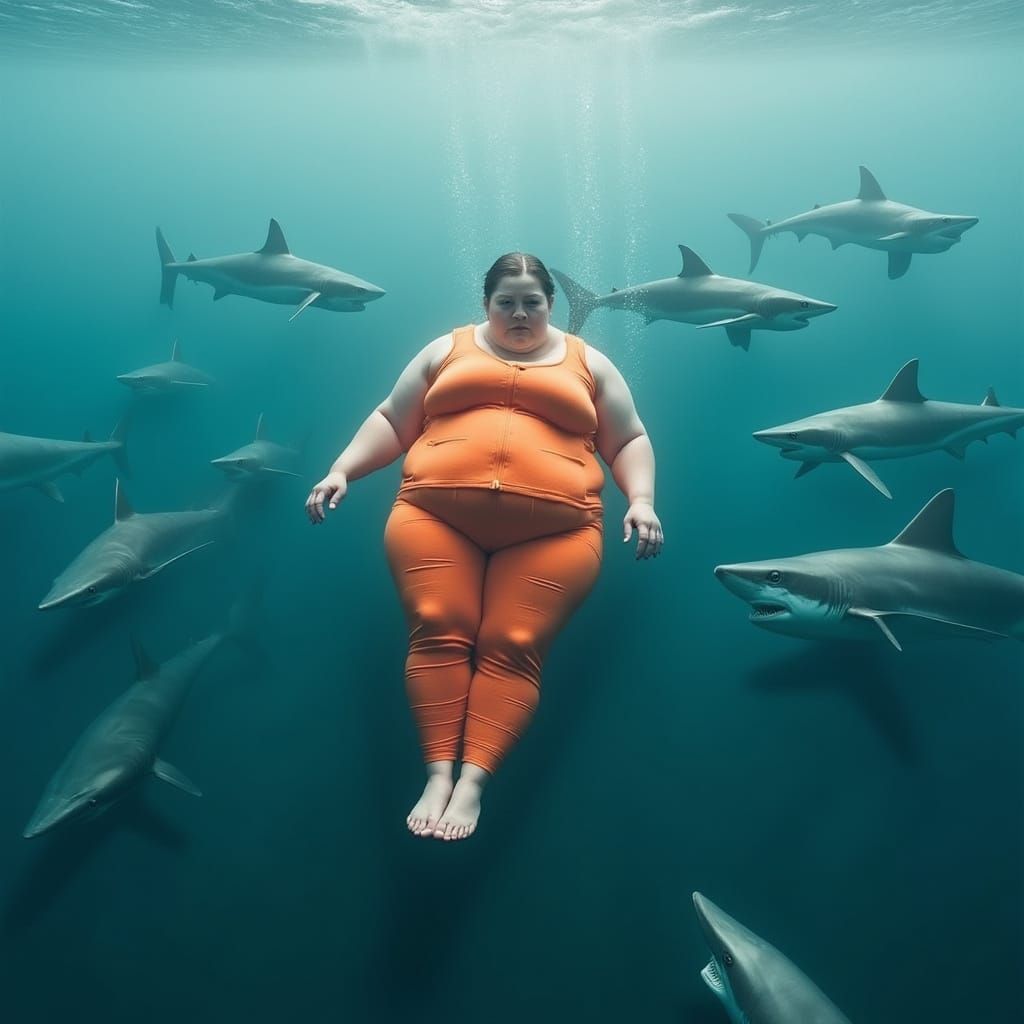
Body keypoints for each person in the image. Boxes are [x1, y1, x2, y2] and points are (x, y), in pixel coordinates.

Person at [305, 253, 663, 842]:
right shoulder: (444, 350)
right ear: (486, 304)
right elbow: (394, 421)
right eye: (507, 302)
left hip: (559, 529)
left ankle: (473, 781)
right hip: (433, 514)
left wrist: (642, 500)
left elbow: (628, 438)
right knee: (436, 624)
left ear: (551, 304)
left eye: (533, 302)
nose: (520, 313)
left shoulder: (589, 361)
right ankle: (439, 774)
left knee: (513, 643)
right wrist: (342, 470)